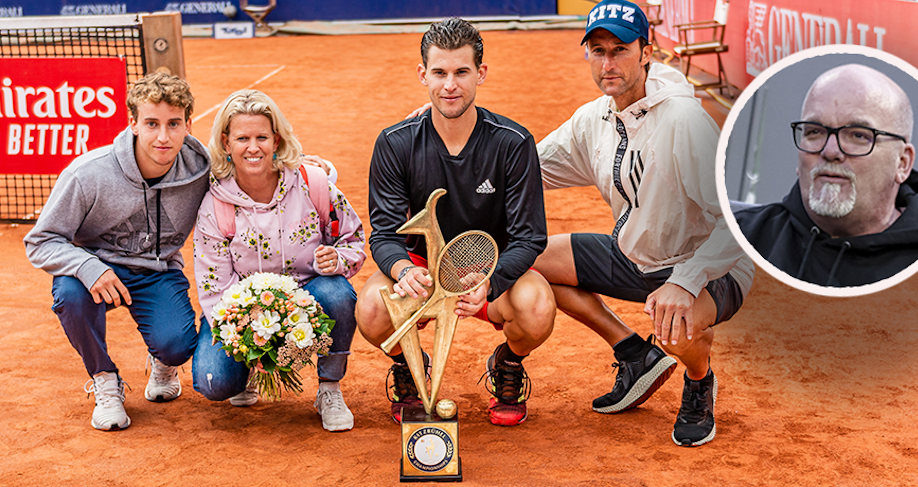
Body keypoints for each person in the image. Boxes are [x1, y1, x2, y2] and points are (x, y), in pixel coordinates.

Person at [531, 0, 754, 447]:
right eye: (598, 51)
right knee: (528, 262)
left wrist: (688, 280)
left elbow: (739, 221)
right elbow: (522, 167)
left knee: (674, 324)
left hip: (711, 268)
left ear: (646, 52)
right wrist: (466, 133)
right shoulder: (593, 119)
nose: (608, 62)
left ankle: (698, 378)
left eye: (620, 49)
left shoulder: (684, 121)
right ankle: (634, 353)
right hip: (634, 254)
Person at [356, 17, 556, 427]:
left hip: (488, 270)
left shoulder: (513, 142)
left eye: (462, 72)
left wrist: (493, 281)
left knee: (537, 307)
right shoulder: (395, 143)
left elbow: (529, 236)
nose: (450, 85)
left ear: (480, 73)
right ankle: (409, 366)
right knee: (373, 309)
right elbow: (385, 233)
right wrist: (402, 269)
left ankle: (508, 362)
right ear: (422, 74)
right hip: (423, 270)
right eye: (440, 72)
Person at [24, 72, 209, 431]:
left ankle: (162, 361)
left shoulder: (203, 169)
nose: (163, 136)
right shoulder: (88, 173)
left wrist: (309, 164)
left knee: (178, 345)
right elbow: (40, 241)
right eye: (151, 123)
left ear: (189, 124)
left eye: (174, 124)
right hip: (96, 271)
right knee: (70, 293)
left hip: (158, 271)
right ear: (133, 124)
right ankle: (105, 380)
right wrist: (88, 267)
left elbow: (255, 164)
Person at [190, 89, 365, 432]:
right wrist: (253, 337)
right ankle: (247, 373)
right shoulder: (215, 203)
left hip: (308, 297)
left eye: (261, 137)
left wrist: (338, 259)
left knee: (339, 295)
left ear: (277, 139)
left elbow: (354, 240)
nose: (252, 148)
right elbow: (214, 286)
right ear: (226, 143)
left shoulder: (313, 182)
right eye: (242, 138)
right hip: (243, 311)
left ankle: (329, 388)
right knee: (215, 384)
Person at [734, 64, 918, 287]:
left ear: (902, 163)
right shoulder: (739, 239)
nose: (830, 151)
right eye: (814, 132)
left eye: (858, 135)